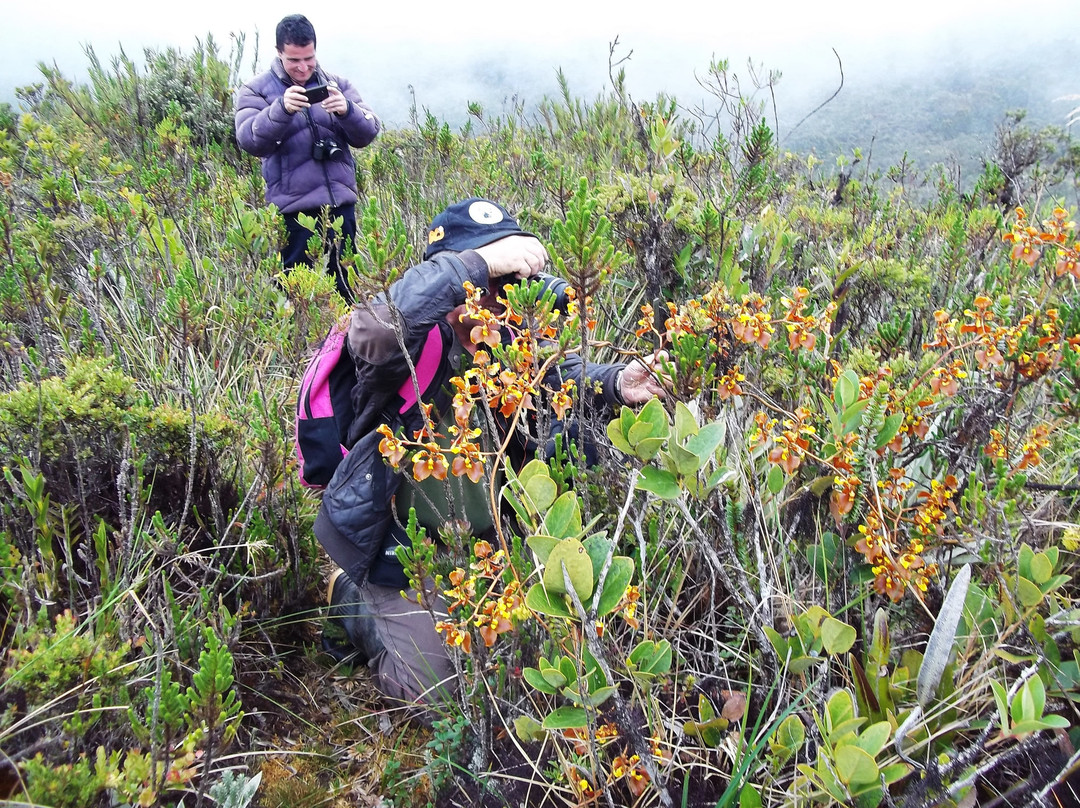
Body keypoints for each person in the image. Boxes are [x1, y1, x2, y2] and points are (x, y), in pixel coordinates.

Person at [314, 198, 666, 720]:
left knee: (537, 655)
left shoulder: (507, 347)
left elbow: (555, 373)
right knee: (438, 696)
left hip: (486, 546)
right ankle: (350, 600)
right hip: (399, 552)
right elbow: (374, 328)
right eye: (487, 286)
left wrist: (614, 381)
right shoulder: (407, 348)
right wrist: (479, 263)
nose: (496, 305)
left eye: (507, 289)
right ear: (447, 282)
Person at [234, 14, 380, 303]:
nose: (303, 67)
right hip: (294, 212)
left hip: (341, 208)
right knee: (297, 298)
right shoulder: (257, 90)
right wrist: (281, 110)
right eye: (293, 60)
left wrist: (347, 110)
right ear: (279, 53)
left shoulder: (337, 84)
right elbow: (249, 141)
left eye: (309, 58)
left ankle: (347, 349)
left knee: (346, 292)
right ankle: (302, 349)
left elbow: (368, 132)